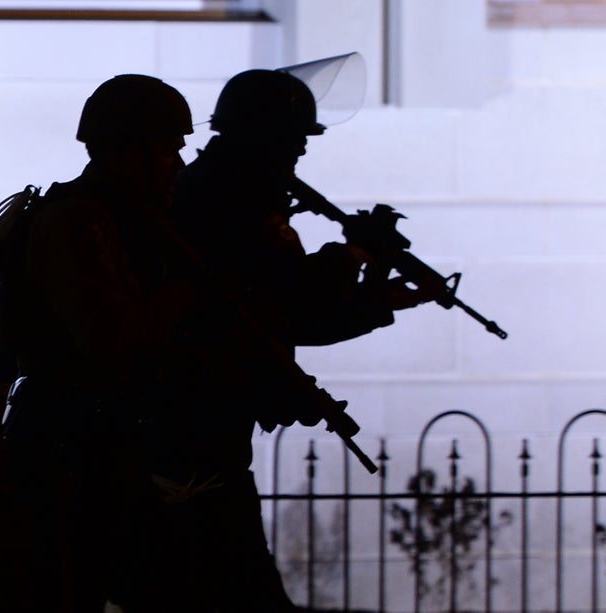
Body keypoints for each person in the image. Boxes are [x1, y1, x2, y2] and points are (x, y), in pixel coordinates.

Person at [123, 68, 431, 611]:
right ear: (262, 137)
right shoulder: (225, 203)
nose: (300, 154)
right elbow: (284, 300)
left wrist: (374, 298)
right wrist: (353, 257)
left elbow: (285, 320)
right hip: (192, 433)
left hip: (203, 431)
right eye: (294, 140)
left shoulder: (224, 195)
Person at [0, 74, 198, 612]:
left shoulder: (120, 215)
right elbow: (110, 337)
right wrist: (188, 291)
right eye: (170, 148)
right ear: (132, 150)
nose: (179, 164)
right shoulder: (79, 218)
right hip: (73, 439)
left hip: (96, 434)